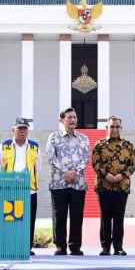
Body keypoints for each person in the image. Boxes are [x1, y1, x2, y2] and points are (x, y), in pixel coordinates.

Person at [46, 108, 90, 256]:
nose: (73, 120)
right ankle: (60, 246)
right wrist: (66, 172)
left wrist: (75, 172)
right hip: (59, 183)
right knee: (59, 215)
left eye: (75, 117)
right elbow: (51, 158)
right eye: (69, 117)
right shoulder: (53, 137)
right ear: (62, 119)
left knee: (77, 215)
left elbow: (85, 158)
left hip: (78, 183)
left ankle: (75, 246)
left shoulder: (84, 138)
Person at [92, 116, 135, 256]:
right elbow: (95, 163)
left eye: (117, 126)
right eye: (112, 126)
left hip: (121, 187)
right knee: (105, 217)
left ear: (121, 128)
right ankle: (105, 247)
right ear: (107, 128)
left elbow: (132, 164)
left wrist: (121, 176)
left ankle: (118, 247)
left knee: (119, 218)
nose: (115, 129)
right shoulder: (99, 145)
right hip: (104, 187)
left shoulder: (128, 145)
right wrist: (107, 175)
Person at [0, 117, 41, 255]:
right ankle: (11, 246)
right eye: (19, 128)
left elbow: (38, 167)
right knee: (11, 219)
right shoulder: (4, 145)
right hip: (10, 189)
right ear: (13, 130)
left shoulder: (34, 146)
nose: (22, 131)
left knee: (28, 220)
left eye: (25, 129)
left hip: (29, 189)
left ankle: (26, 248)